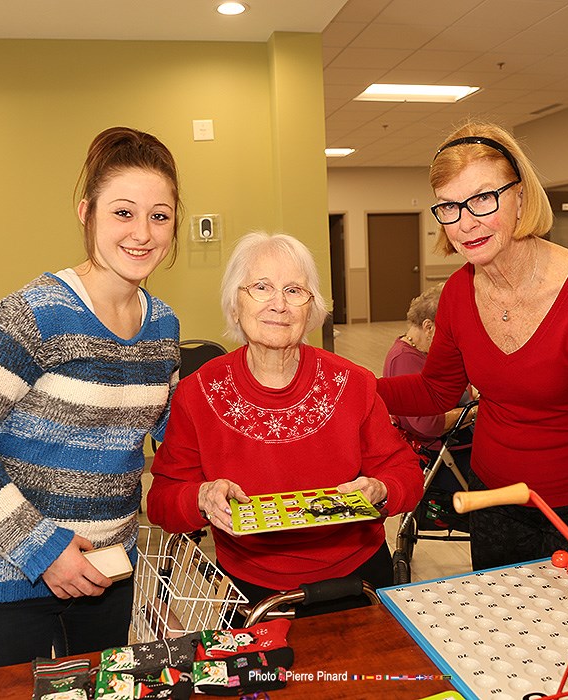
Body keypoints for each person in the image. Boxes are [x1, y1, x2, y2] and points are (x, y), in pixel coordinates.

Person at [0, 127, 182, 675]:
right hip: (5, 577)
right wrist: (43, 551)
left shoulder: (163, 325)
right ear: (87, 213)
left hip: (106, 574)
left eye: (159, 216)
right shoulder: (36, 312)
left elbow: (171, 433)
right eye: (123, 212)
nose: (142, 233)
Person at [376, 121, 568, 571]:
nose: (465, 222)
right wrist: (353, 387)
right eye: (449, 206)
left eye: (483, 198)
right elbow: (436, 390)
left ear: (520, 196)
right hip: (493, 498)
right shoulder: (457, 294)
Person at [147, 232, 423, 613]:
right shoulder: (198, 393)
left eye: (294, 291)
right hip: (249, 591)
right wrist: (201, 497)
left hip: (357, 581)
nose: (279, 304)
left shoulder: (353, 383)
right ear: (235, 304)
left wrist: (382, 488)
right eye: (261, 287)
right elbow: (162, 500)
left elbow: (406, 473)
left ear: (311, 310)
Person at [383, 283, 474, 451]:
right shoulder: (404, 359)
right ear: (428, 327)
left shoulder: (423, 351)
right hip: (439, 446)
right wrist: (474, 412)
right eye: (449, 330)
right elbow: (427, 424)